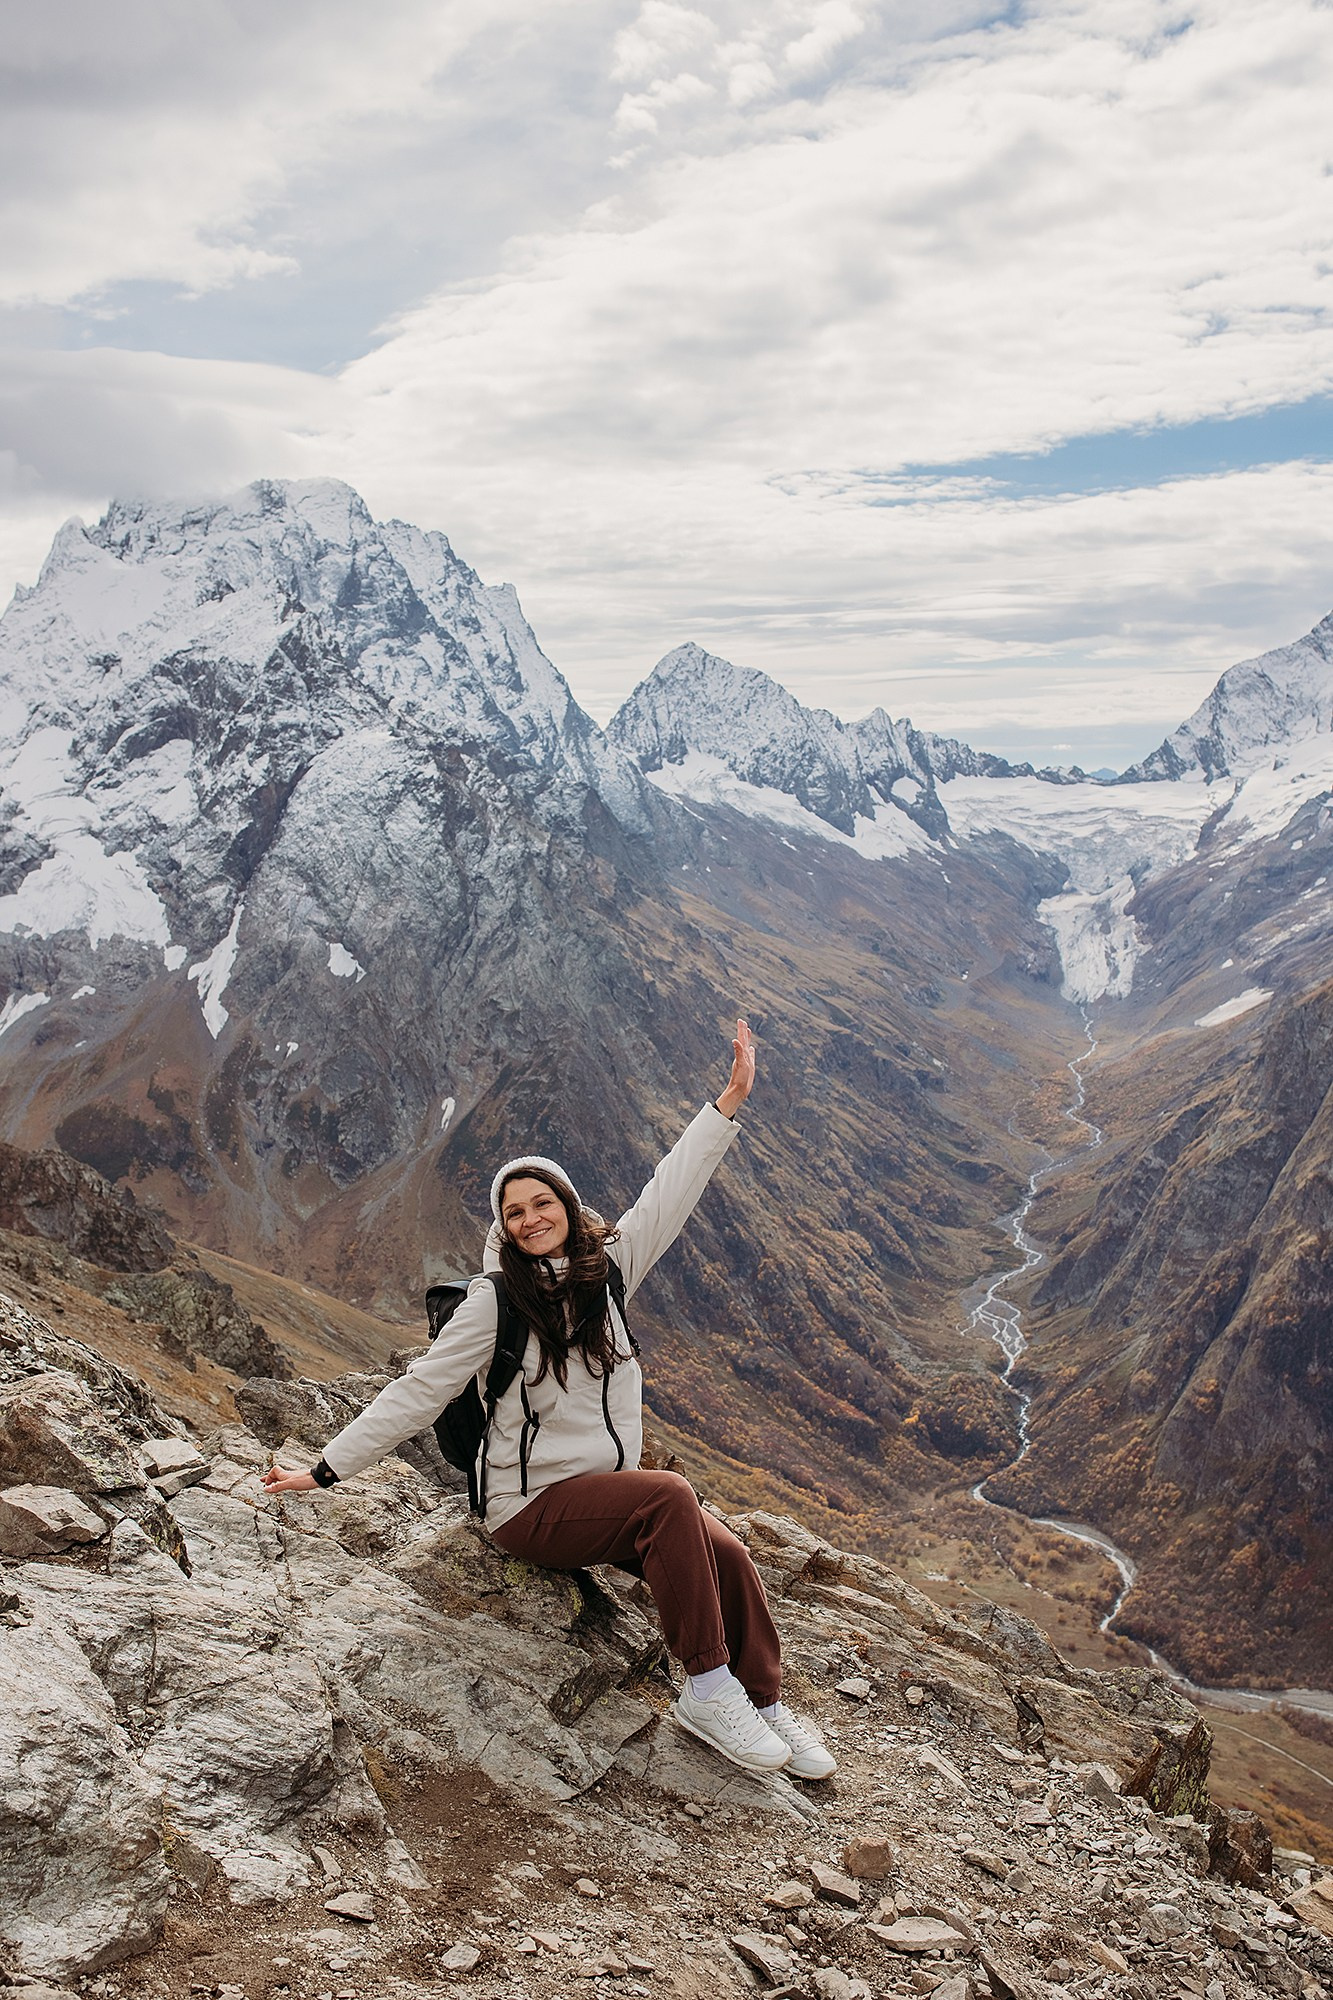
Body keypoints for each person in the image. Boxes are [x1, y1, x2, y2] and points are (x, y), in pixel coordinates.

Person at [262, 1019, 834, 1781]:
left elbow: (671, 1190)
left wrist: (726, 1103)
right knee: (670, 1496)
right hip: (528, 1509)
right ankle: (704, 1689)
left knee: (724, 1551)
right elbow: (420, 1390)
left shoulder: (609, 1271)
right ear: (502, 1228)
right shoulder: (494, 1301)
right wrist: (325, 1470)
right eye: (514, 1212)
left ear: (566, 1204)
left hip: (603, 1499)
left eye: (542, 1203)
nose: (530, 1219)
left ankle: (760, 1700)